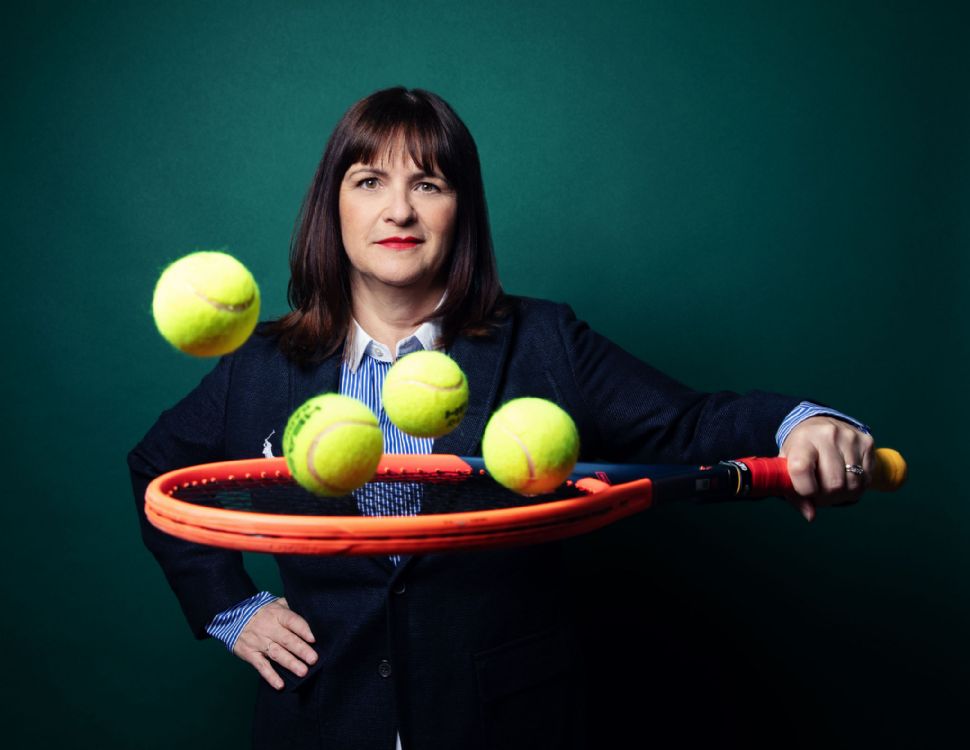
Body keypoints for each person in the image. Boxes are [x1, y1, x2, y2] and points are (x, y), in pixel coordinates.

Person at [129, 87, 875, 750]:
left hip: (508, 721)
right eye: (369, 181)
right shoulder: (261, 366)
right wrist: (234, 609)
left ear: (462, 210)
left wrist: (799, 425)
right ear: (335, 205)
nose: (398, 210)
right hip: (323, 717)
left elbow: (691, 423)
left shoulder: (546, 341)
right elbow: (156, 469)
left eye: (429, 183)